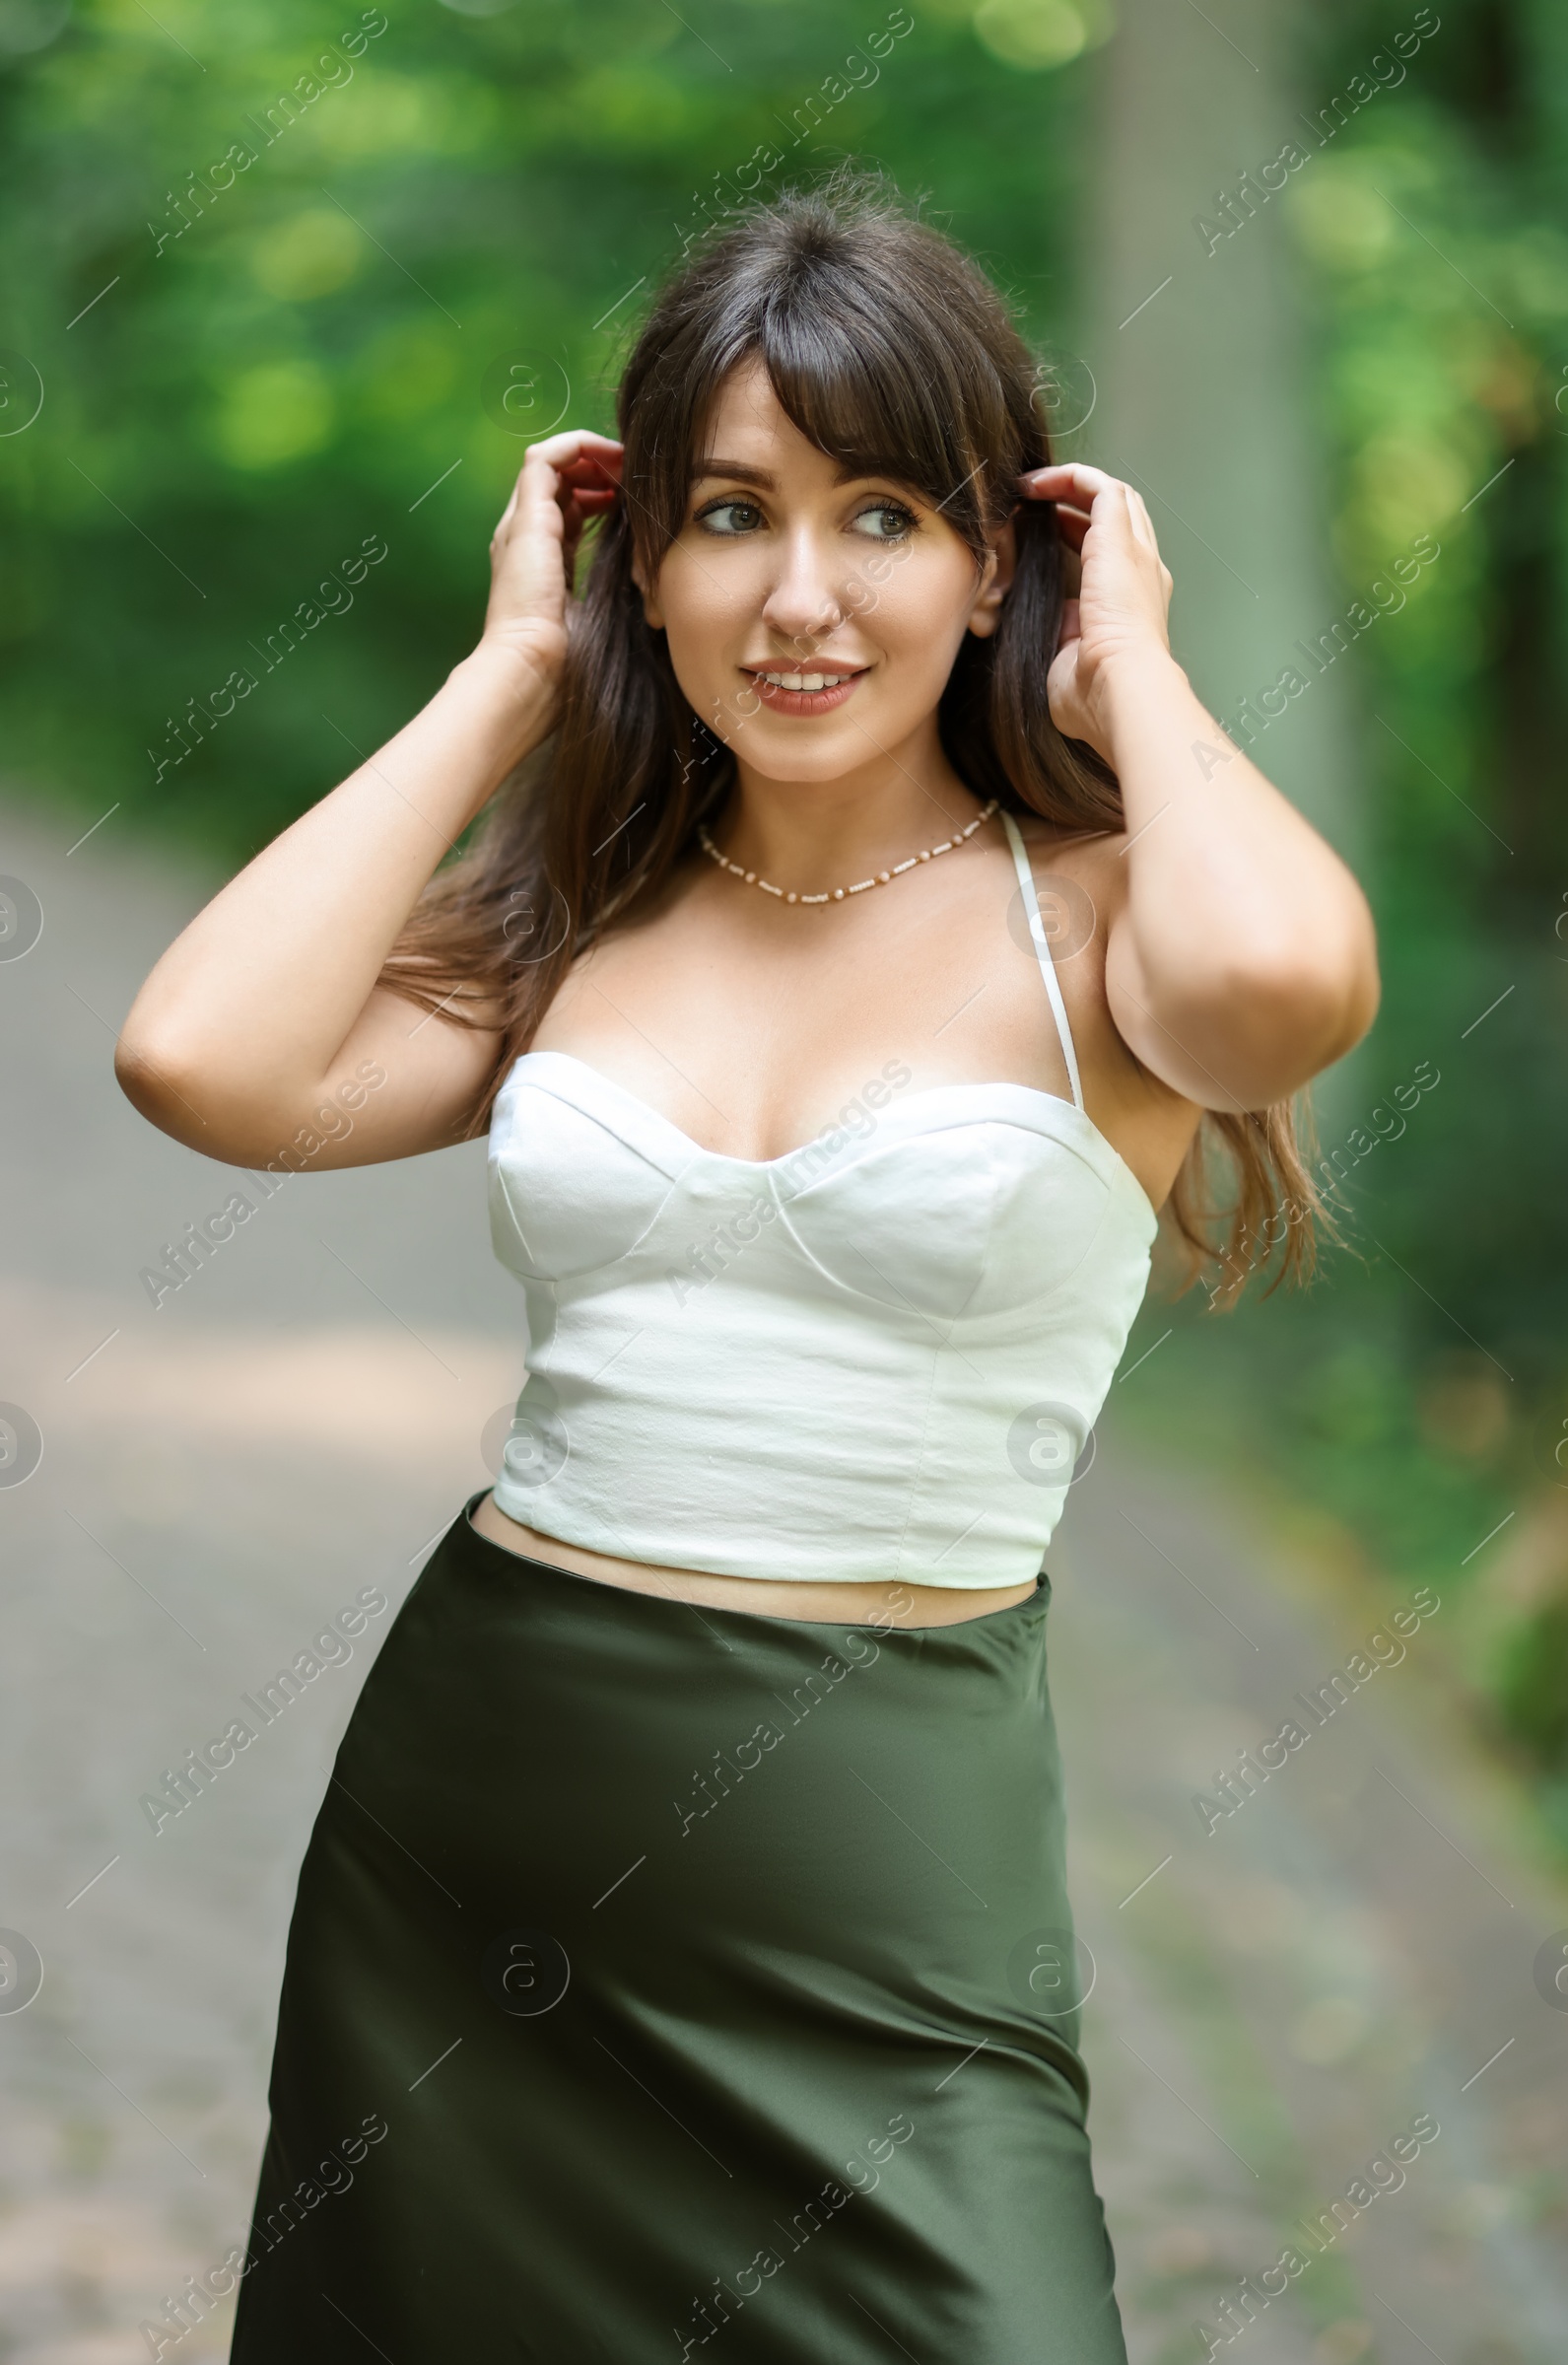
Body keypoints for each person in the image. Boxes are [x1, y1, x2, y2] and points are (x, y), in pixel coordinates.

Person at [116, 179, 1378, 2364]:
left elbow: (1279, 990)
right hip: (467, 1839)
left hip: (889, 1882)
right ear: (646, 562)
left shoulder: (1098, 923)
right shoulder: (582, 911)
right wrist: (510, 672)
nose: (797, 595)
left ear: (1002, 555)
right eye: (725, 514)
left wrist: (1136, 667)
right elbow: (200, 1058)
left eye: (880, 514)